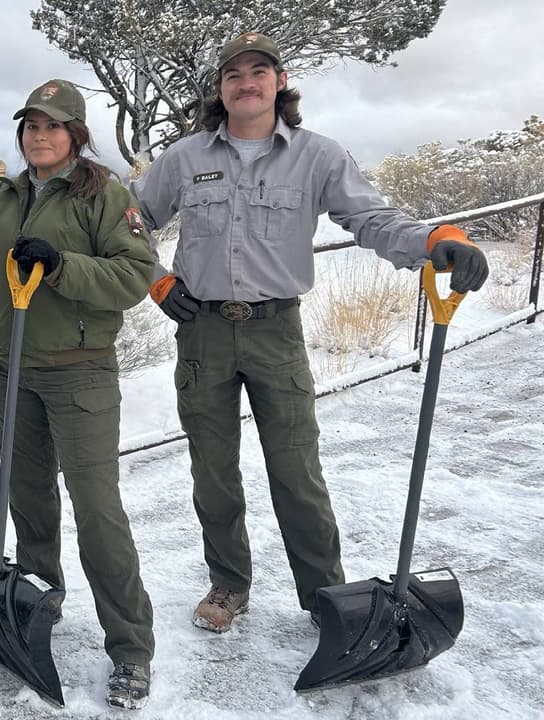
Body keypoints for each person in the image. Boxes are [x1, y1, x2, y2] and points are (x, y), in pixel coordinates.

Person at [131, 32, 490, 636]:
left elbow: (370, 218)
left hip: (277, 330)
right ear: (220, 89)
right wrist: (158, 281)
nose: (246, 82)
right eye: (234, 74)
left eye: (259, 72)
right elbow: (130, 222)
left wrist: (434, 242)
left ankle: (325, 593)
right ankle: (228, 584)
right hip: (203, 332)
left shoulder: (318, 156)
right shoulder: (183, 158)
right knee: (212, 470)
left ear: (279, 81)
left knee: (297, 469)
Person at [0, 78, 157, 710]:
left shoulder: (105, 195)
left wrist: (61, 264)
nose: (40, 135)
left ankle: (131, 649)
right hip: (11, 370)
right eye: (31, 125)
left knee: (97, 511)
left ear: (75, 135)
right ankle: (39, 597)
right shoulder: (2, 195)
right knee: (30, 500)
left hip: (80, 374)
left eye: (53, 126)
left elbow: (134, 275)